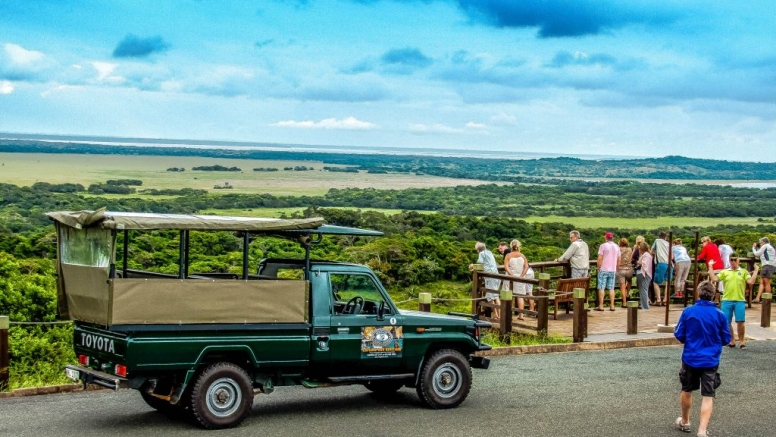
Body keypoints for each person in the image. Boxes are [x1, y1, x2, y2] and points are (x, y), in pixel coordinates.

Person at [673, 280, 733, 437]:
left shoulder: (688, 311)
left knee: (687, 389)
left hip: (691, 356)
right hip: (711, 359)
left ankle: (685, 421)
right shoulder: (720, 315)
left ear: (698, 293)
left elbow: (679, 334)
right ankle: (702, 430)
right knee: (708, 395)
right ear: (713, 296)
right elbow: (726, 338)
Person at [708, 258, 759, 349]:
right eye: (731, 260)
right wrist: (711, 266)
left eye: (735, 260)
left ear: (738, 261)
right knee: (727, 322)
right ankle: (732, 341)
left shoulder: (743, 271)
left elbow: (750, 281)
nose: (733, 262)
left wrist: (756, 271)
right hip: (726, 300)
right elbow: (714, 279)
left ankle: (742, 341)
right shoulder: (725, 271)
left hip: (739, 300)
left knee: (740, 321)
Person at [504, 239, 535, 320]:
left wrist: (511, 274)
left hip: (510, 277)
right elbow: (526, 266)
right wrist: (522, 275)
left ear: (511, 246)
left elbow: (506, 266)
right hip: (520, 278)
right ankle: (521, 315)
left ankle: (507, 314)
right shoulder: (522, 255)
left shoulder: (508, 255)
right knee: (520, 296)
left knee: (507, 295)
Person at [470, 242, 501, 318]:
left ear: (478, 249)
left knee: (490, 297)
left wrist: (472, 266)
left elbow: (480, 263)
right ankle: (500, 315)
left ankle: (496, 315)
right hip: (496, 275)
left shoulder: (481, 254)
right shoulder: (489, 252)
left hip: (490, 277)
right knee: (495, 296)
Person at [596, 232, 620, 311]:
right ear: (612, 238)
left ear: (606, 238)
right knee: (611, 288)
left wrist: (598, 267)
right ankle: (612, 305)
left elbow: (600, 258)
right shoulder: (617, 246)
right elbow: (619, 259)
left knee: (601, 287)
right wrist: (617, 267)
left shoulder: (603, 246)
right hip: (613, 270)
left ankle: (601, 305)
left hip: (604, 268)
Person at [751, 237, 776, 303]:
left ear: (764, 242)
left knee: (766, 282)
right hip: (770, 265)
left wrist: (753, 248)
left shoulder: (765, 246)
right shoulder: (770, 247)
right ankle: (758, 298)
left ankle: (767, 300)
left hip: (768, 266)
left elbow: (756, 254)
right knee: (762, 282)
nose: (760, 244)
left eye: (760, 243)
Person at [651, 232, 670, 306]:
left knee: (655, 282)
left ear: (659, 236)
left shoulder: (657, 241)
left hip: (661, 263)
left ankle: (658, 300)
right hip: (670, 264)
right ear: (666, 237)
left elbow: (651, 251)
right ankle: (665, 300)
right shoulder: (668, 243)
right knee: (667, 282)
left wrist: (656, 254)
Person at [616, 238, 634, 308]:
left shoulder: (618, 249)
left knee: (622, 287)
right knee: (629, 281)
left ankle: (624, 303)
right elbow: (631, 258)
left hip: (620, 269)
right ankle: (628, 293)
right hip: (629, 269)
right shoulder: (630, 249)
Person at [636, 241, 653, 309]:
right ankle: (643, 305)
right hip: (647, 274)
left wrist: (638, 262)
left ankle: (645, 306)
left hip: (645, 274)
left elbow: (644, 264)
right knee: (643, 290)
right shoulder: (648, 254)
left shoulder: (646, 255)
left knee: (643, 290)